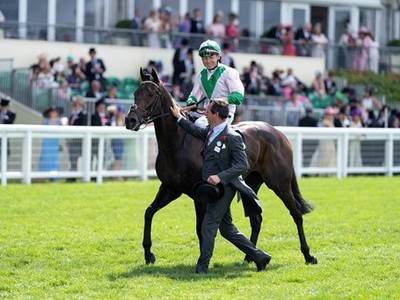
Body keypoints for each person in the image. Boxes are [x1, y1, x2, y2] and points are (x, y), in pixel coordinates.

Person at [170, 98, 271, 274]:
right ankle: (260, 256)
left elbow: (242, 165)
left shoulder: (232, 137)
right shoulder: (211, 131)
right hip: (215, 189)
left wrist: (219, 177)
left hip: (226, 187)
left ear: (216, 114)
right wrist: (179, 118)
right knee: (227, 229)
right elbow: (194, 130)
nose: (204, 113)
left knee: (208, 224)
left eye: (208, 111)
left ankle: (202, 267)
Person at [186, 39, 244, 127]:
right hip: (206, 114)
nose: (208, 61)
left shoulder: (229, 72)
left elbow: (239, 96)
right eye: (205, 58)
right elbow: (194, 95)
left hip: (223, 115)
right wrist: (191, 102)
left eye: (211, 57)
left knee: (199, 124)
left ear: (218, 56)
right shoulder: (200, 76)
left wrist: (223, 100)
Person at [67, 97, 88, 181]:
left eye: (76, 104)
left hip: (78, 140)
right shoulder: (72, 115)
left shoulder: (83, 115)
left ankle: (76, 176)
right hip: (72, 140)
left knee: (77, 158)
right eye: (74, 105)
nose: (75, 106)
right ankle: (72, 176)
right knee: (72, 159)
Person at [39, 107, 61, 176]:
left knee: (54, 159)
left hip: (55, 142)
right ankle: (43, 175)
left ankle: (54, 175)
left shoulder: (59, 121)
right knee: (45, 158)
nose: (53, 113)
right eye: (52, 112)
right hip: (47, 142)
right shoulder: (45, 121)